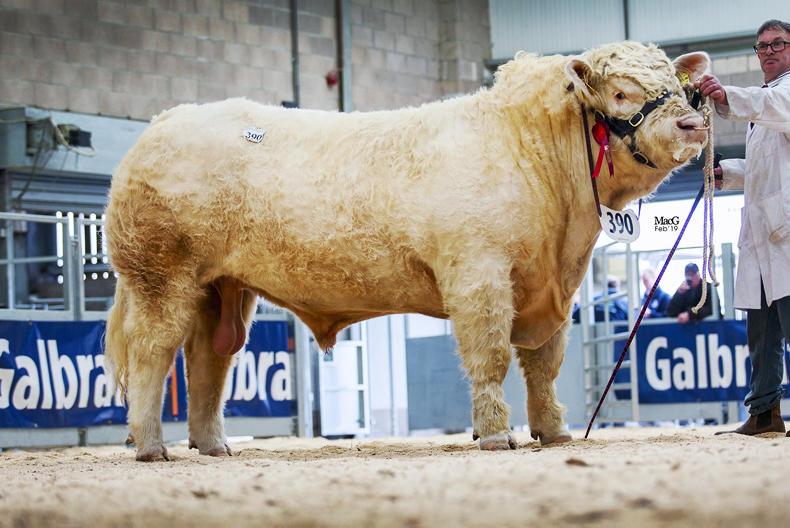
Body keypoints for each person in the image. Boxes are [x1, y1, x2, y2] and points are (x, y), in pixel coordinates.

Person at [696, 19, 790, 436]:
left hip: (785, 231)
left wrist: (725, 95)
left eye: (777, 44)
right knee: (762, 330)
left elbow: (769, 108)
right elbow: (766, 167)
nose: (768, 52)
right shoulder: (767, 99)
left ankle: (765, 409)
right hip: (762, 231)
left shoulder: (781, 97)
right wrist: (729, 172)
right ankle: (765, 411)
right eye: (761, 47)